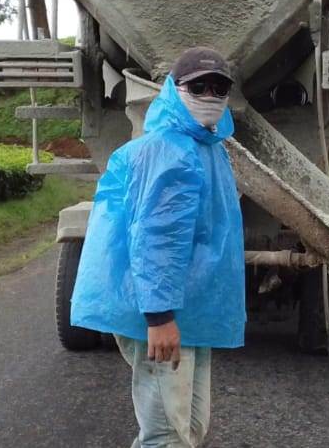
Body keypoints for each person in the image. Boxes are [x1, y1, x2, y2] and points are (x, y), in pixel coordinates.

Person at [72, 48, 244, 448]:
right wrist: (159, 316)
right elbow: (157, 238)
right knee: (166, 432)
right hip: (162, 308)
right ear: (174, 89)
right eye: (197, 86)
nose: (210, 94)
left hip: (187, 305)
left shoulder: (207, 148)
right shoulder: (171, 152)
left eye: (219, 86)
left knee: (187, 427)